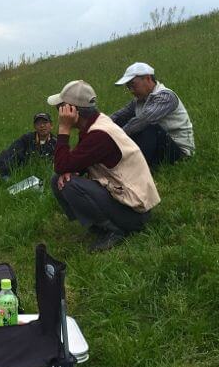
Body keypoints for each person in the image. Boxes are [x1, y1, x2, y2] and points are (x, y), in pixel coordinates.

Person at [47, 80, 160, 252]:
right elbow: (75, 163)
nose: (60, 114)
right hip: (130, 202)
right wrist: (68, 169)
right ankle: (98, 226)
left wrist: (64, 128)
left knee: (68, 184)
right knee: (59, 179)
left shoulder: (99, 134)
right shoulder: (97, 123)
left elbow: (61, 165)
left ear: (73, 111)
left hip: (135, 213)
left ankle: (113, 230)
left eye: (61, 109)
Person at [111, 62, 194, 168]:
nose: (131, 90)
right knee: (119, 121)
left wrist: (116, 137)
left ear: (148, 78)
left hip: (178, 152)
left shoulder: (166, 97)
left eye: (133, 84)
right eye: (128, 86)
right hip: (159, 148)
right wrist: (101, 125)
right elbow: (118, 115)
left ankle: (140, 168)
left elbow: (142, 121)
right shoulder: (139, 100)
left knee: (147, 126)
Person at [0, 112, 57, 189]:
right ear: (35, 127)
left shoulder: (55, 143)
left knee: (9, 187)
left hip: (24, 175)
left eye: (45, 123)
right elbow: (11, 155)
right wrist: (1, 173)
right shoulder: (26, 139)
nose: (42, 126)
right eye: (38, 123)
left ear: (51, 125)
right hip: (2, 164)